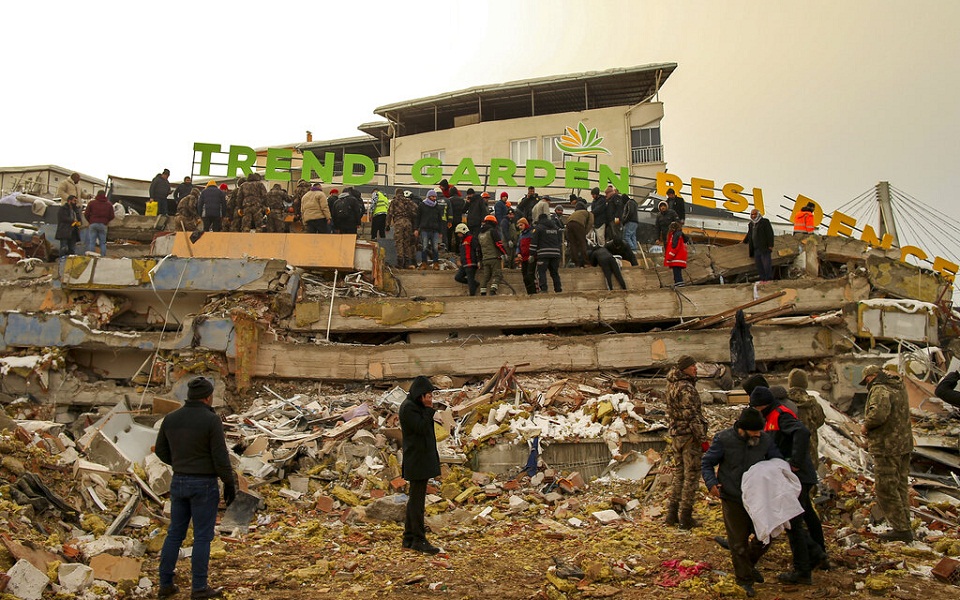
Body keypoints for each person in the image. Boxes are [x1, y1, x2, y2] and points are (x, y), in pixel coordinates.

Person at [156, 377, 236, 599]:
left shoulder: (171, 418)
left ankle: (165, 584)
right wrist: (229, 482)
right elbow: (220, 456)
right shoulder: (211, 420)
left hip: (179, 481)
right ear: (208, 397)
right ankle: (199, 587)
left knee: (175, 533)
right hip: (204, 484)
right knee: (202, 536)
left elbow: (160, 450)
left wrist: (179, 463)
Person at [702, 407, 782, 598]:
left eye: (759, 431)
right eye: (754, 431)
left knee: (765, 537)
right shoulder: (724, 439)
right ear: (742, 429)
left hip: (759, 498)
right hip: (733, 497)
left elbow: (776, 460)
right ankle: (744, 580)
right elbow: (707, 462)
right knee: (738, 543)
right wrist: (711, 483)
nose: (758, 435)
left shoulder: (765, 440)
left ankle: (748, 565)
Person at [749, 386, 823, 583]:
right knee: (794, 521)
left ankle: (804, 570)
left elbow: (802, 432)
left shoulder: (780, 415)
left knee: (793, 524)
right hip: (793, 475)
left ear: (760, 405)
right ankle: (815, 556)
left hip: (799, 476)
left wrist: (795, 462)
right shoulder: (772, 415)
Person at [860, 365, 914, 542]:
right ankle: (905, 525)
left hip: (886, 446)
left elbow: (878, 415)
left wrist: (866, 426)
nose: (867, 383)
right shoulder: (898, 386)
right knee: (900, 486)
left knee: (886, 488)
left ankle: (901, 529)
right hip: (903, 444)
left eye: (867, 379)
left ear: (873, 376)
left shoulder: (880, 389)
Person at [399, 375, 442, 554]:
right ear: (420, 395)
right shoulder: (409, 408)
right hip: (416, 460)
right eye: (428, 395)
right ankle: (418, 539)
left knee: (415, 500)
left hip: (420, 459)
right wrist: (429, 411)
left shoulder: (415, 406)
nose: (430, 399)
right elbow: (421, 428)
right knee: (417, 503)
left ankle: (409, 537)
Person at [665, 355, 708, 529]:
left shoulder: (671, 386)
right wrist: (702, 438)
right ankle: (685, 517)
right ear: (684, 369)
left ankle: (672, 514)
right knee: (691, 476)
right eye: (692, 366)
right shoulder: (686, 388)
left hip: (676, 435)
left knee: (679, 474)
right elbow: (692, 416)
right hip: (689, 437)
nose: (695, 369)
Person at [787, 369, 825, 469]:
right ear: (805, 384)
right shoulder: (813, 404)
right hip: (810, 454)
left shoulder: (784, 403)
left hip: (789, 455)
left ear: (790, 383)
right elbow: (820, 421)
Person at [531, 213, 563, 293]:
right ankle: (558, 289)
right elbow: (560, 241)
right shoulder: (556, 228)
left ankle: (544, 289)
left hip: (543, 254)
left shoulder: (538, 228)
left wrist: (531, 254)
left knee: (541, 272)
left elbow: (534, 242)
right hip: (555, 254)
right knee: (554, 272)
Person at [476, 214, 507, 296]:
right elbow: (499, 244)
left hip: (485, 259)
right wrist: (504, 253)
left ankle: (483, 292)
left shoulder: (480, 234)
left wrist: (479, 260)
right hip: (495, 258)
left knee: (486, 276)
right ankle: (493, 290)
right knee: (497, 275)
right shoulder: (492, 231)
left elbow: (478, 249)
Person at [388, 189, 418, 269]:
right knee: (407, 242)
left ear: (396, 193)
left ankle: (400, 262)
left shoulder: (394, 202)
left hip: (399, 223)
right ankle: (407, 262)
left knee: (399, 242)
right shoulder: (408, 201)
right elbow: (416, 208)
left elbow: (389, 213)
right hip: (408, 223)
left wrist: (387, 225)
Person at [744, 208, 775, 282]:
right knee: (759, 265)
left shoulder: (764, 222)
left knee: (766, 264)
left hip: (764, 247)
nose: (753, 216)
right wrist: (744, 241)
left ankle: (768, 279)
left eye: (755, 214)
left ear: (758, 214)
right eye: (752, 214)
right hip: (756, 248)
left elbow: (770, 233)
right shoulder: (751, 224)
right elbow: (749, 234)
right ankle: (763, 279)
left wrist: (770, 245)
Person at [415, 190, 444, 268]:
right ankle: (424, 263)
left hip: (435, 230)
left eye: (435, 197)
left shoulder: (437, 207)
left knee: (435, 247)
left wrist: (441, 232)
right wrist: (416, 229)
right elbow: (418, 218)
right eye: (433, 196)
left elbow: (440, 220)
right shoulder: (422, 205)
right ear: (428, 196)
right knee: (424, 247)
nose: (434, 198)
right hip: (424, 230)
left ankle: (435, 263)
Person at [84, 190, 114, 256]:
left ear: (97, 195)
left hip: (93, 224)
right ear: (104, 195)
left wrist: (90, 221)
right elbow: (112, 215)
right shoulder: (109, 204)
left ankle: (92, 256)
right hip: (103, 225)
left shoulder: (91, 203)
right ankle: (102, 256)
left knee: (92, 242)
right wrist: (106, 221)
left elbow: (86, 214)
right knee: (102, 243)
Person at [453, 223, 480, 296]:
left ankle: (472, 295)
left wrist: (478, 261)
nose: (458, 235)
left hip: (471, 263)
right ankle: (475, 284)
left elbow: (477, 250)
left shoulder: (471, 239)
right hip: (464, 264)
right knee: (458, 277)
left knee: (470, 281)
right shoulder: (462, 241)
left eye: (459, 233)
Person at [565, 201, 595, 267]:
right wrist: (584, 233)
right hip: (578, 224)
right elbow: (590, 223)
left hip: (568, 223)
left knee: (573, 244)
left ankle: (576, 263)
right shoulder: (589, 213)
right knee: (582, 243)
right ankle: (586, 262)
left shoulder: (575, 213)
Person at [664, 221, 688, 287]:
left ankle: (679, 282)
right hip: (680, 257)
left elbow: (675, 247)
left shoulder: (676, 236)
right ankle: (678, 282)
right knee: (677, 270)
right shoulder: (680, 235)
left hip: (676, 257)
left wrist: (670, 256)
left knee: (676, 271)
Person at [516, 218, 536, 294]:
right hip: (523, 259)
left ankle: (533, 292)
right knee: (525, 277)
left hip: (531, 258)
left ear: (525, 224)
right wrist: (518, 253)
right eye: (519, 226)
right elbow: (518, 245)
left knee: (530, 276)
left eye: (521, 225)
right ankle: (529, 292)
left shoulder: (531, 233)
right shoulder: (521, 235)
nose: (520, 227)